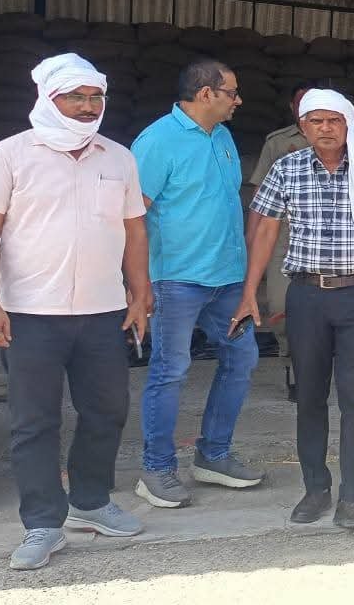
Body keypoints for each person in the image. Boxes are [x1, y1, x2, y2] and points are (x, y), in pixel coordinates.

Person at [0, 54, 152, 570]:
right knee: (34, 421)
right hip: (29, 313)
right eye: (75, 97)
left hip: (103, 312)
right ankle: (43, 523)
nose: (88, 106)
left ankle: (90, 501)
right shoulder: (11, 155)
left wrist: (140, 293)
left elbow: (134, 230)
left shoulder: (118, 157)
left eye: (95, 97)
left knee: (107, 410)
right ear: (49, 100)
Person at [234, 89, 354, 530]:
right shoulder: (287, 168)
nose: (325, 128)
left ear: (348, 125)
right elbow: (266, 231)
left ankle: (352, 500)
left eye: (334, 120)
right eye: (316, 121)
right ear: (303, 127)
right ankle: (315, 489)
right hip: (307, 296)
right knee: (309, 396)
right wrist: (250, 291)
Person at [131, 59, 264, 509]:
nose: (238, 100)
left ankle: (213, 455)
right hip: (176, 279)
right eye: (232, 92)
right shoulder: (156, 141)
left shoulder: (222, 137)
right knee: (170, 371)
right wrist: (137, 282)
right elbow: (131, 216)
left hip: (227, 279)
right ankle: (157, 469)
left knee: (242, 359)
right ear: (206, 94)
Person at [248, 79, 325, 359]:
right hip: (282, 231)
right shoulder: (278, 142)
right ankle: (288, 356)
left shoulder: (339, 138)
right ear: (291, 107)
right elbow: (260, 193)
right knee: (280, 303)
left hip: (323, 233)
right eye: (300, 103)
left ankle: (314, 357)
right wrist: (251, 236)